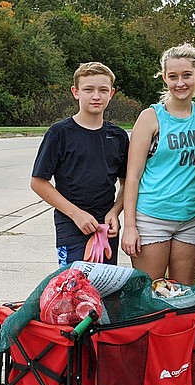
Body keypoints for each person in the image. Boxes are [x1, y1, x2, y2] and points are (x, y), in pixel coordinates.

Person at [121, 44, 195, 285]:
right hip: (152, 217)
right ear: (165, 78)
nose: (180, 83)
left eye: (187, 75)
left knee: (182, 296)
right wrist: (129, 226)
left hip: (192, 217)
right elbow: (132, 176)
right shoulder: (151, 117)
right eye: (173, 77)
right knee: (150, 297)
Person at [31, 62, 128, 267]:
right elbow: (38, 182)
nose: (96, 96)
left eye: (103, 90)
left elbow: (126, 182)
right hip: (72, 226)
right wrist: (77, 214)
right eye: (88, 89)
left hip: (105, 227)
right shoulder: (60, 133)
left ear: (111, 93)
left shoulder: (118, 136)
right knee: (74, 290)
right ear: (76, 92)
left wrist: (114, 212)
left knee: (105, 290)